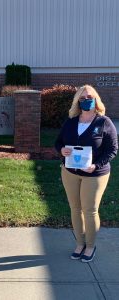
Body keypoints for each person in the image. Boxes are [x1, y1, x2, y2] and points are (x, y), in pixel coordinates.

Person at [55, 85, 118, 262]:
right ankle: (79, 243)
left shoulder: (104, 122)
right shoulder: (71, 121)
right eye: (82, 98)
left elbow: (112, 149)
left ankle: (90, 246)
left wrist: (96, 165)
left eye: (89, 97)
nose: (86, 100)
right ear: (77, 101)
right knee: (75, 209)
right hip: (70, 172)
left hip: (95, 174)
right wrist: (62, 150)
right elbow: (58, 142)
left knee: (89, 210)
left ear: (96, 99)